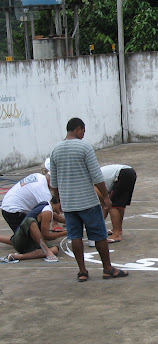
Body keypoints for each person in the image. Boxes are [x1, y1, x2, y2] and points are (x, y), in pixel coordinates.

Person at [49, 118, 128, 282]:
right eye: (83, 131)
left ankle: (82, 272)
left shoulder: (55, 150)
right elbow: (96, 175)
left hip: (69, 204)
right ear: (78, 129)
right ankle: (107, 269)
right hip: (87, 201)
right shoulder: (84, 147)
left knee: (75, 237)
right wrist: (106, 197)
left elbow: (54, 182)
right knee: (99, 235)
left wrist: (61, 200)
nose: (84, 134)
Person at [0, 196, 67, 263]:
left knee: (55, 249)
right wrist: (65, 233)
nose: (63, 210)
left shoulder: (46, 205)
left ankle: (19, 256)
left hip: (25, 239)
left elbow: (58, 218)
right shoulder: (47, 212)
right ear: (59, 203)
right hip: (23, 241)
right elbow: (46, 236)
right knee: (31, 222)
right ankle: (46, 251)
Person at [99, 164, 137, 242]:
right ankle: (118, 230)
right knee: (119, 205)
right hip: (128, 172)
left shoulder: (89, 184)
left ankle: (116, 234)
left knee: (113, 205)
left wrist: (105, 208)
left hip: (123, 174)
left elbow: (104, 199)